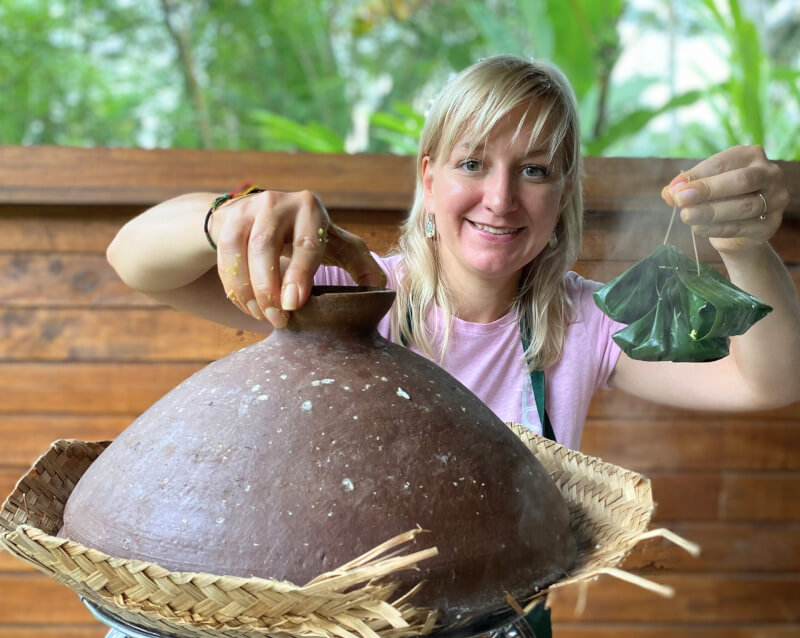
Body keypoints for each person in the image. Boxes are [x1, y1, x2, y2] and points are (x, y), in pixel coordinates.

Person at [107, 55, 799, 633]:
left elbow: (767, 380)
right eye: (473, 163)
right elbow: (134, 260)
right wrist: (229, 217)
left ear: (563, 195)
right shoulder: (343, 295)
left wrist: (744, 246)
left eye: (534, 170)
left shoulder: (583, 323)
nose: (500, 198)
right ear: (428, 176)